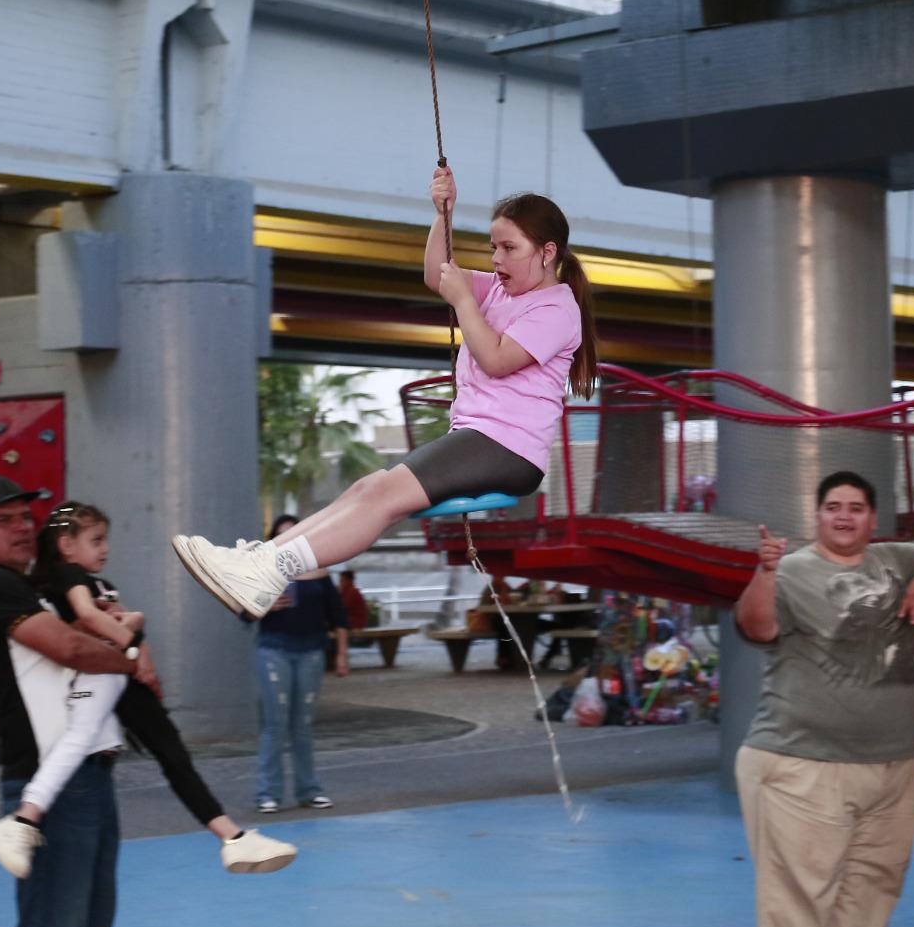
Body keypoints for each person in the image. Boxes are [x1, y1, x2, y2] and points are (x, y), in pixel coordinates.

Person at [172, 166, 598, 619]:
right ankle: (259, 562)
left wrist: (464, 301)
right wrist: (443, 214)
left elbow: (495, 358)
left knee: (381, 496)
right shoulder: (500, 288)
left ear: (548, 252)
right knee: (369, 488)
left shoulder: (556, 308)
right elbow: (438, 275)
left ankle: (272, 568)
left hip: (508, 447)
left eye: (509, 248)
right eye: (494, 247)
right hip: (482, 437)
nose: (496, 259)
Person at [733, 470, 914, 927]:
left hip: (891, 767)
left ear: (872, 519)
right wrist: (766, 572)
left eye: (855, 507)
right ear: (816, 516)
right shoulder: (792, 570)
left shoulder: (897, 560)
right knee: (800, 907)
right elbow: (757, 627)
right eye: (833, 506)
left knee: (870, 898)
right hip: (803, 763)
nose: (844, 515)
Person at [0, 500, 296, 879]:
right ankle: (23, 819)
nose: (106, 548)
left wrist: (134, 632)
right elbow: (86, 616)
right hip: (101, 674)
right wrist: (129, 642)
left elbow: (123, 619)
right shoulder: (68, 577)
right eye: (96, 540)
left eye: (105, 540)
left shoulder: (101, 584)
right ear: (66, 545)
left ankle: (232, 837)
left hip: (118, 678)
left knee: (171, 753)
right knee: (84, 741)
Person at [0, 475, 145, 927]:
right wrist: (133, 661)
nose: (21, 528)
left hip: (83, 775)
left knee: (87, 924)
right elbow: (70, 650)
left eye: (25, 517)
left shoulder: (24, 589)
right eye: (4, 521)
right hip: (52, 781)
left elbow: (73, 643)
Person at [245, 514, 349, 813]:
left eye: (295, 534)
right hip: (274, 650)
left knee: (302, 725)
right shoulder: (263, 572)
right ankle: (268, 793)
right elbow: (243, 613)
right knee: (275, 724)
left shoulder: (319, 570)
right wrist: (265, 605)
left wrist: (342, 654)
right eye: (282, 535)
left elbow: (337, 614)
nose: (289, 539)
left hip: (311, 651)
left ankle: (309, 790)